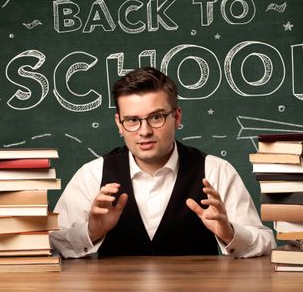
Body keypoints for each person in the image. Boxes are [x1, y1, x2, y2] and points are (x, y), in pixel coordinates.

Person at [50, 67, 275, 258]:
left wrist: (229, 233)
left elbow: (266, 244)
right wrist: (91, 232)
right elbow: (52, 244)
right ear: (119, 124)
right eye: (132, 120)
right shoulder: (92, 174)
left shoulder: (216, 171)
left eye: (156, 117)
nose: (144, 131)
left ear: (176, 117)